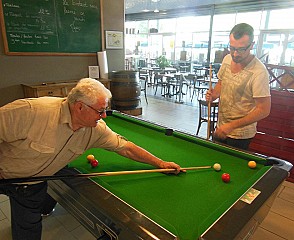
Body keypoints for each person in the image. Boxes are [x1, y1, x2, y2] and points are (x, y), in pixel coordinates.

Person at [0, 78, 183, 240]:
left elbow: (126, 148)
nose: (104, 116)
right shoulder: (31, 112)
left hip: (31, 185)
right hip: (3, 171)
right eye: (100, 110)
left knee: (27, 228)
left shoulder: (96, 129)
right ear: (80, 106)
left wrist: (160, 163)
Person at [206, 23, 271, 150]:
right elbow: (221, 83)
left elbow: (263, 110)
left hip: (240, 135)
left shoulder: (259, 72)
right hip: (221, 128)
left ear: (252, 45)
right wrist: (213, 95)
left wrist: (231, 126)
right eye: (232, 48)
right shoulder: (227, 59)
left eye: (241, 49)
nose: (235, 54)